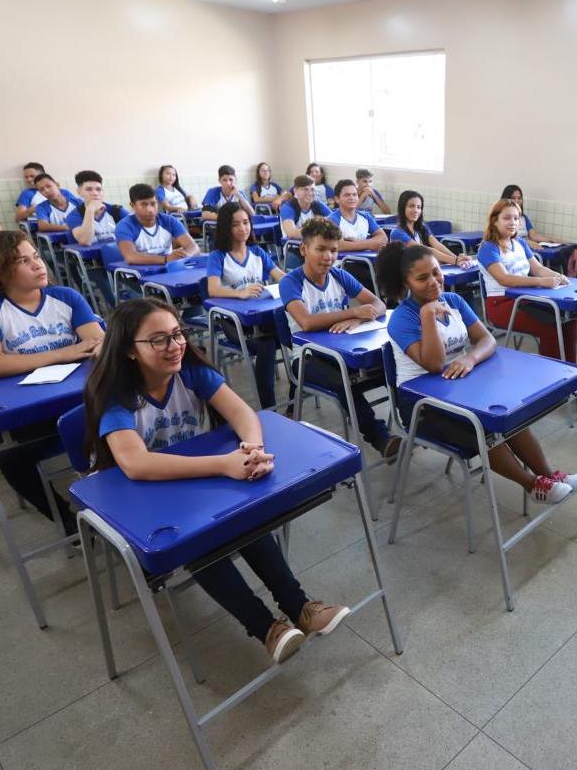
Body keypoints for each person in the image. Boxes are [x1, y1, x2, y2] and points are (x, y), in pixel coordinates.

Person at [83, 297, 351, 662]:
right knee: (202, 542)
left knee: (247, 523)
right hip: (150, 498)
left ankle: (300, 607)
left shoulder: (189, 371)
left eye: (177, 334)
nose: (175, 345)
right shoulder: (116, 396)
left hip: (200, 480)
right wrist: (224, 465)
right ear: (130, 350)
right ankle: (266, 629)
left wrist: (251, 449)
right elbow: (136, 464)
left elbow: (242, 412)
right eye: (158, 340)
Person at [378, 241, 577, 505]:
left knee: (510, 418)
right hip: (421, 405)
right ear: (405, 283)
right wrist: (427, 316)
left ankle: (550, 476)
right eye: (422, 278)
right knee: (482, 428)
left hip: (457, 388)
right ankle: (533, 486)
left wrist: (470, 358)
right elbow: (433, 364)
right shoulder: (402, 318)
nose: (433, 281)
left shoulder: (453, 300)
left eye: (435, 272)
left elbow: (487, 339)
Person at [0, 231, 103, 534]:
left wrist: (99, 346)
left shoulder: (65, 297)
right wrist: (63, 353)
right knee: (10, 458)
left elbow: (95, 342)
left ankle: (111, 500)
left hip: (86, 400)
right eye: (24, 261)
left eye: (36, 256)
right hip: (34, 414)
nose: (38, 265)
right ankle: (68, 522)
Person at [279, 217, 398, 458]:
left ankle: (411, 421)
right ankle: (379, 436)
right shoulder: (291, 282)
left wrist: (360, 319)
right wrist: (353, 311)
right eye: (320, 249)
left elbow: (378, 304)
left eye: (333, 250)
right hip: (307, 358)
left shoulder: (339, 275)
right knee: (344, 379)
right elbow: (307, 322)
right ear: (303, 249)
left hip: (341, 351)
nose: (328, 257)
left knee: (389, 360)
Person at [478, 198, 577, 363]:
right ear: (495, 221)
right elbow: (504, 279)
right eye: (507, 218)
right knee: (551, 326)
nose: (513, 222)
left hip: (524, 298)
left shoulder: (519, 243)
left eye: (516, 218)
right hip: (502, 303)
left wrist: (557, 276)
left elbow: (537, 269)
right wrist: (541, 281)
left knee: (568, 321)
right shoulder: (488, 247)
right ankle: (551, 377)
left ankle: (570, 372)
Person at [206, 202, 284, 409]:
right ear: (225, 228)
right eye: (235, 225)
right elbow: (212, 289)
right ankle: (269, 407)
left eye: (246, 222)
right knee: (266, 345)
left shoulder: (257, 252)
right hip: (234, 324)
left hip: (261, 317)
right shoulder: (218, 256)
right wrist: (239, 293)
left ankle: (297, 389)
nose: (243, 228)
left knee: (290, 335)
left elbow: (280, 276)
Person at [116, 184, 199, 265]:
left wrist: (185, 255)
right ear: (133, 206)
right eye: (143, 205)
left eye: (153, 204)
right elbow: (131, 257)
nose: (150, 209)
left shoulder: (169, 220)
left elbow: (193, 247)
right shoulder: (125, 226)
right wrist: (165, 259)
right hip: (138, 275)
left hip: (168, 270)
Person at [389, 190, 474, 269]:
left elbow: (437, 245)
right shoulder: (397, 233)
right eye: (411, 206)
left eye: (419, 207)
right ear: (402, 207)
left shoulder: (422, 227)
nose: (416, 210)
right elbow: (425, 250)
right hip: (405, 274)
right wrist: (455, 261)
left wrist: (457, 258)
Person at [278, 175, 333, 269]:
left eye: (312, 189)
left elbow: (335, 224)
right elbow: (292, 233)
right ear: (296, 191)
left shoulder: (318, 205)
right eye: (305, 189)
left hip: (317, 246)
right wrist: (318, 227)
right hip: (294, 248)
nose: (310, 193)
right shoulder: (288, 207)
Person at [66, 170, 129, 246]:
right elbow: (85, 241)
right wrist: (90, 209)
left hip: (120, 255)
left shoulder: (115, 210)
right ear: (79, 192)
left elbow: (141, 226)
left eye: (98, 189)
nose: (95, 193)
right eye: (88, 189)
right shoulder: (75, 215)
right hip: (92, 258)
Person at [329, 180, 387, 253]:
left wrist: (358, 242)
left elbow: (383, 237)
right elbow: (338, 245)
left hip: (367, 261)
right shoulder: (332, 219)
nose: (352, 198)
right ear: (337, 199)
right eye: (347, 195)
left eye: (354, 194)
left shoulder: (366, 216)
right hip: (344, 262)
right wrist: (369, 245)